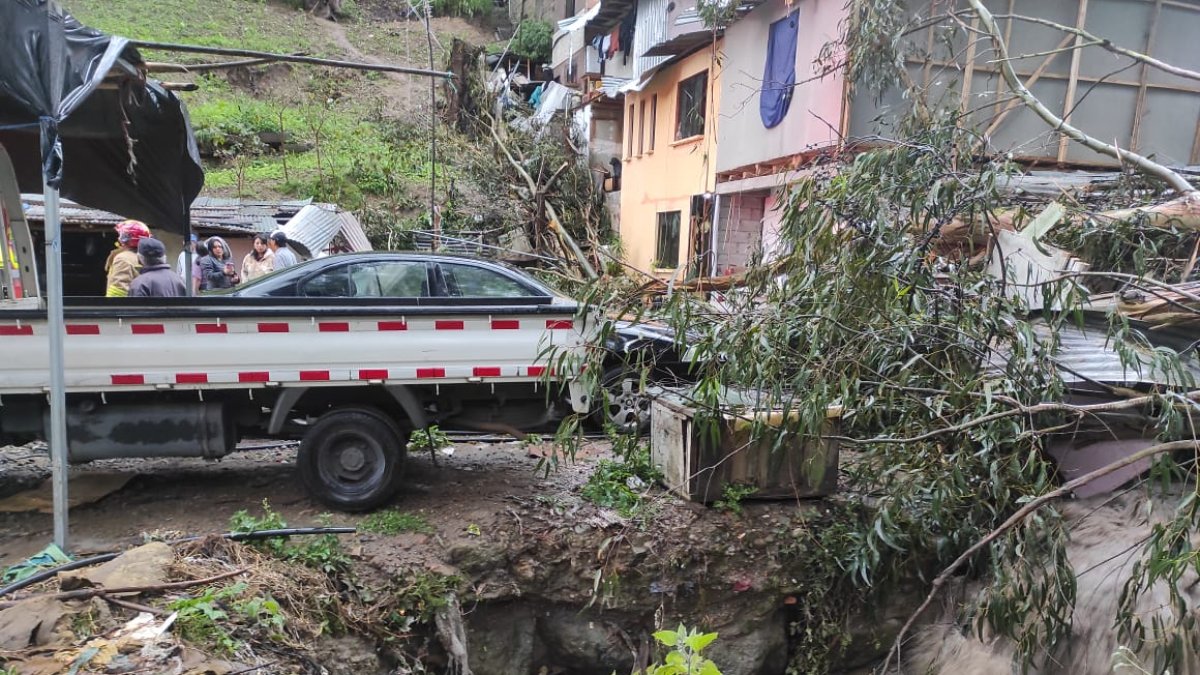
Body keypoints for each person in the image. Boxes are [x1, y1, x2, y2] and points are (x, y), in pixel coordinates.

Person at [104, 220, 150, 297]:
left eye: (122, 235)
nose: (119, 238)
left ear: (127, 238)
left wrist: (110, 307)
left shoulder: (122, 259)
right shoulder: (147, 258)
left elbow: (118, 292)